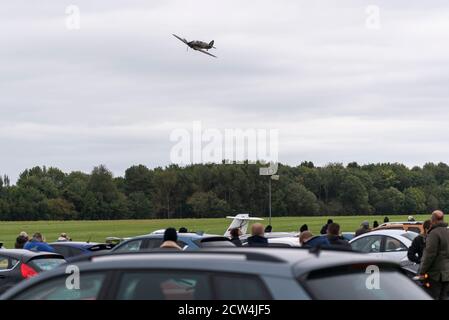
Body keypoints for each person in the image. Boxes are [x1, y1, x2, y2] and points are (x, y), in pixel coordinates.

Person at [419, 210, 449, 299]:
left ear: (433, 220)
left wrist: (422, 271)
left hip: (435, 274)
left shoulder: (434, 233)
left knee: (432, 297)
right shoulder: (447, 232)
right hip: (447, 274)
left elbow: (429, 255)